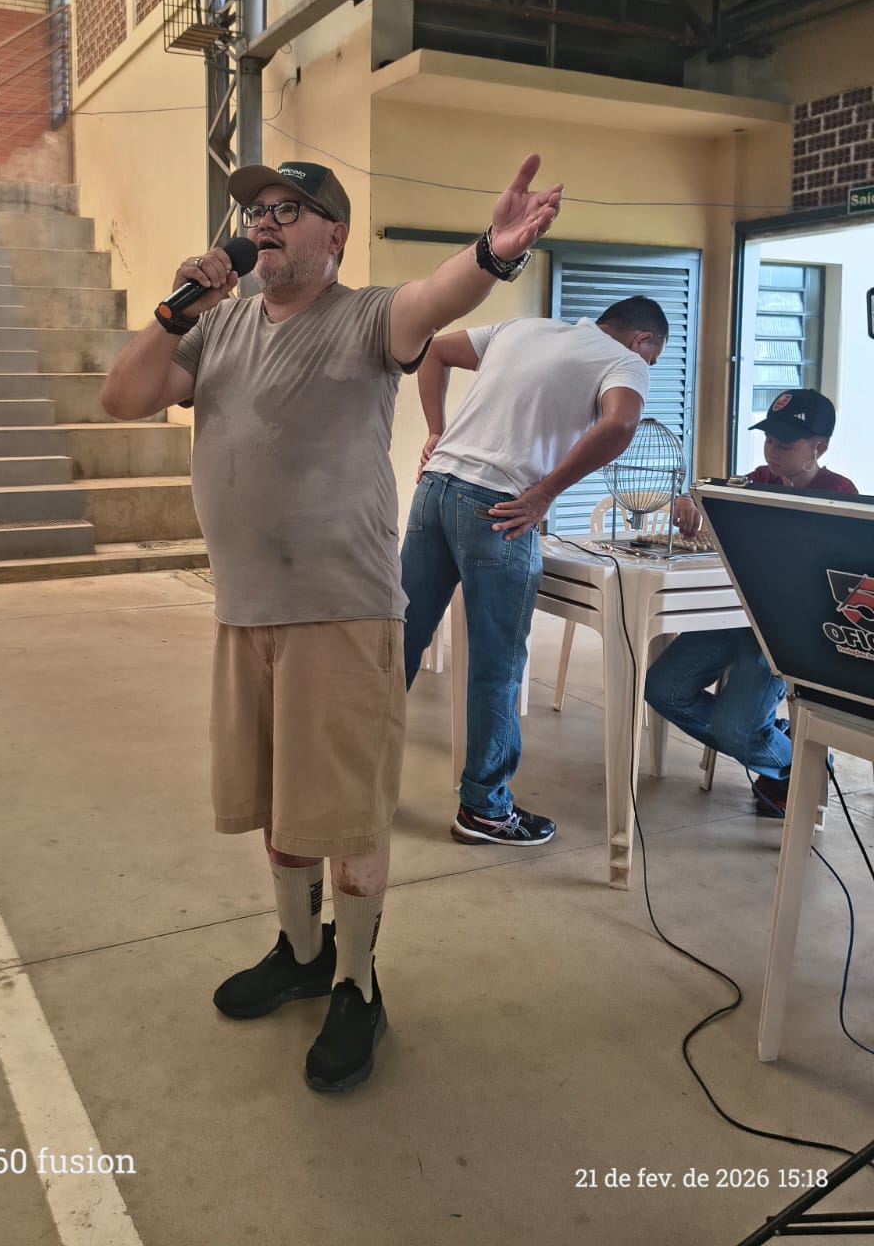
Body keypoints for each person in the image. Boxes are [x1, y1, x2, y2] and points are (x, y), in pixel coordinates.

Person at [100, 153, 562, 1094]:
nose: (265, 222)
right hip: (246, 610)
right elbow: (124, 397)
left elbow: (436, 297)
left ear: (335, 234)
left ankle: (357, 984)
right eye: (257, 210)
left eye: (291, 208)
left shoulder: (366, 319)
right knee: (283, 807)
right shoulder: (216, 324)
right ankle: (301, 953)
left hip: (342, 612)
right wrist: (176, 309)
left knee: (347, 816)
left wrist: (494, 251)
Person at [401, 296, 670, 846]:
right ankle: (485, 810)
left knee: (397, 640)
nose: (647, 367)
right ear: (642, 339)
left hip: (434, 490)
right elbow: (622, 421)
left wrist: (436, 431)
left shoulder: (522, 328)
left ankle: (345, 780)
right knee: (497, 664)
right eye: (653, 358)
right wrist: (545, 493)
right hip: (499, 508)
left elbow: (431, 350)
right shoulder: (626, 361)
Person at [648, 388, 857, 817]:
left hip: (787, 631)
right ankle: (787, 755)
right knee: (662, 689)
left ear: (819, 447)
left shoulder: (839, 494)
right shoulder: (759, 480)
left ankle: (790, 763)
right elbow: (712, 495)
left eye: (786, 444)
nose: (772, 452)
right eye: (768, 440)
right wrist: (689, 500)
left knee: (737, 727)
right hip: (734, 614)